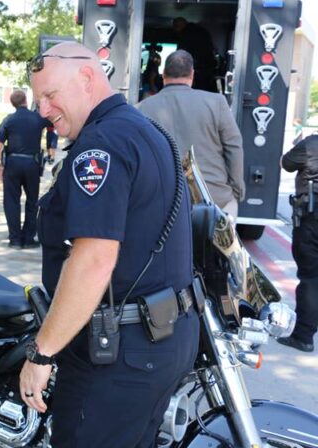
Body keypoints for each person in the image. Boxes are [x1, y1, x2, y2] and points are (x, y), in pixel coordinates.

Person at [19, 42, 199, 447]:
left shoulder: (100, 146)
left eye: (49, 96)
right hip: (164, 338)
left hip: (120, 355)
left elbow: (95, 260)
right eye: (37, 100)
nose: (43, 110)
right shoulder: (145, 129)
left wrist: (43, 353)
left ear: (86, 79)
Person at [139, 49, 245, 219]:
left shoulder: (142, 108)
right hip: (212, 197)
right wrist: (236, 191)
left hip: (162, 198)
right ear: (192, 74)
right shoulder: (217, 102)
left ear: (163, 74)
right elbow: (234, 147)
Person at [0, 89, 51, 249]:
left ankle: (15, 239)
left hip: (12, 164)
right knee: (32, 201)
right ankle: (29, 238)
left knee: (11, 201)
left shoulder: (9, 120)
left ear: (13, 103)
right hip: (32, 164)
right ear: (26, 100)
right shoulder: (37, 118)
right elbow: (52, 122)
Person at [277, 133, 318, 353]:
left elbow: (285, 163)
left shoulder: (311, 144)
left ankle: (303, 336)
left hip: (312, 218)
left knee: (310, 277)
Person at [172, 17, 217, 92]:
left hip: (196, 71)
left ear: (179, 26)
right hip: (207, 70)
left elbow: (181, 54)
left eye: (175, 27)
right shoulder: (203, 32)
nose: (175, 30)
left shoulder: (185, 35)